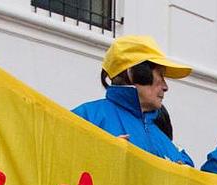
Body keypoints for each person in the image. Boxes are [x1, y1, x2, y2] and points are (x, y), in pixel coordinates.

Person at [73, 36, 194, 165]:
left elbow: (192, 177)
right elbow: (56, 162)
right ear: (134, 73)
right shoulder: (86, 117)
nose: (166, 87)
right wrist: (101, 156)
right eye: (160, 75)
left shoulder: (168, 143)